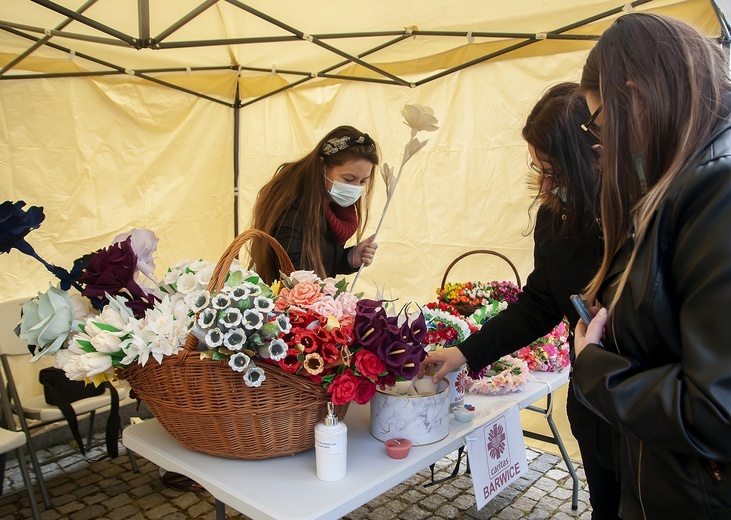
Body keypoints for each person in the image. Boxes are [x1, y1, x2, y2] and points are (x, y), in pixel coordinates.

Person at [423, 83, 621, 519]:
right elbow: (540, 302)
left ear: (597, 154)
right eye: (539, 169)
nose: (547, 183)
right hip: (593, 406)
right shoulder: (556, 215)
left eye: (557, 170)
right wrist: (464, 351)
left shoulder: (640, 214)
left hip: (643, 411)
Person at [573, 13, 731, 519]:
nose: (603, 141)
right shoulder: (689, 177)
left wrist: (595, 366)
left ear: (635, 96)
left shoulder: (715, 188)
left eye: (599, 122)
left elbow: (714, 412)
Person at [250, 126, 380, 282]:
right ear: (322, 166)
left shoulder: (331, 204)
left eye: (362, 181)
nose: (355, 188)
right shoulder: (292, 209)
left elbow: (319, 260)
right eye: (348, 179)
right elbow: (298, 278)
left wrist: (349, 259)